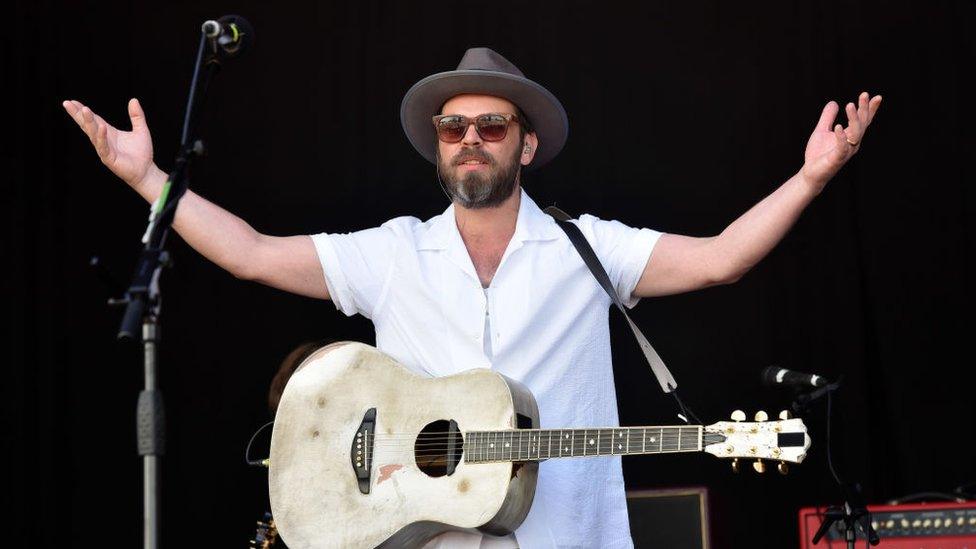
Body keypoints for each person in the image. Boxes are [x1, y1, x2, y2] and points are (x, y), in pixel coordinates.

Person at [63, 47, 881, 549]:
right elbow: (248, 254)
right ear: (438, 146)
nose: (469, 140)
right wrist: (146, 177)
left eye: (490, 126)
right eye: (453, 128)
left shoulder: (585, 247)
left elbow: (722, 260)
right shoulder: (394, 254)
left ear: (525, 144)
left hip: (570, 541)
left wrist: (811, 177)